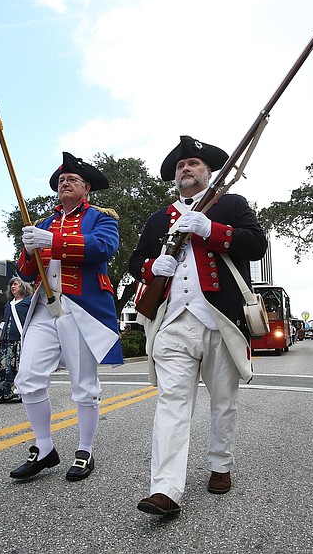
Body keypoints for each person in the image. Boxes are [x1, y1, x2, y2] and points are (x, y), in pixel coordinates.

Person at [129, 135, 268, 517]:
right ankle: (165, 489)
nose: (185, 169)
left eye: (192, 163)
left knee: (223, 401)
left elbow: (256, 245)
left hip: (220, 320)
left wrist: (211, 229)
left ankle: (220, 464)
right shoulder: (159, 217)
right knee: (171, 404)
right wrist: (150, 267)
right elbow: (136, 259)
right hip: (172, 323)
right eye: (180, 165)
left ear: (209, 172)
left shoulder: (233, 205)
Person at [9, 152, 123, 483]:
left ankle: (84, 449)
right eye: (61, 180)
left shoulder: (103, 217)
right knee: (27, 378)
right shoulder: (43, 223)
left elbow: (102, 248)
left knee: (83, 386)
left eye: (72, 179)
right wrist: (28, 249)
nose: (65, 183)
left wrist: (52, 241)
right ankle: (44, 449)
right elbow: (26, 271)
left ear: (86, 188)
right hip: (46, 306)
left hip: (81, 308)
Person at [0, 278, 32, 403]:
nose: (13, 286)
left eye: (15, 284)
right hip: (7, 339)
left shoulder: (28, 302)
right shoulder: (8, 304)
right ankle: (6, 393)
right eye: (11, 284)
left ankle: (20, 393)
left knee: (18, 367)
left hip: (19, 339)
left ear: (22, 286)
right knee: (4, 366)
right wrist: (0, 337)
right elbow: (4, 321)